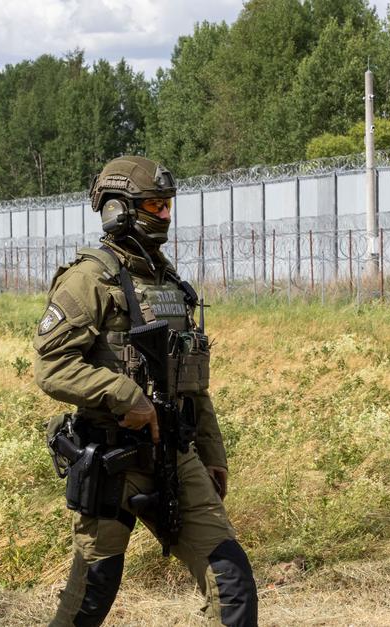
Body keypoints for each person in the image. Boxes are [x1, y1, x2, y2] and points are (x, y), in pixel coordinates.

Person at [33, 156, 257, 626]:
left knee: (232, 580)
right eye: (155, 206)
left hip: (175, 454)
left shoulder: (169, 282)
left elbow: (191, 383)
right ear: (119, 211)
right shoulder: (89, 280)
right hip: (113, 459)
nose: (166, 216)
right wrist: (122, 394)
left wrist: (212, 453)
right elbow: (52, 367)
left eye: (168, 206)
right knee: (92, 594)